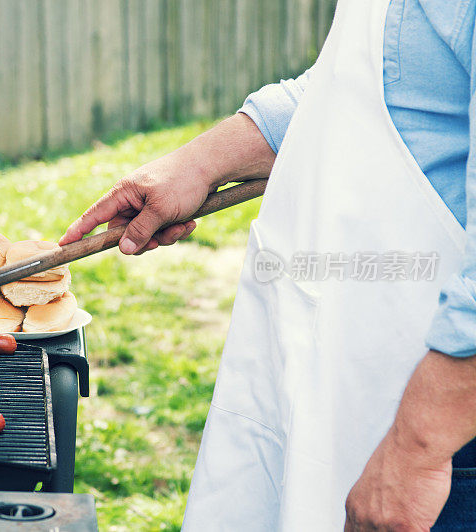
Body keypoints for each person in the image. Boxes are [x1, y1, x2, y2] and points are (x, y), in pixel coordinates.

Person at [59, 0, 476, 529]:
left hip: (443, 425)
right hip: (330, 364)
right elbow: (364, 92)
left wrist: (416, 451)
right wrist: (200, 162)